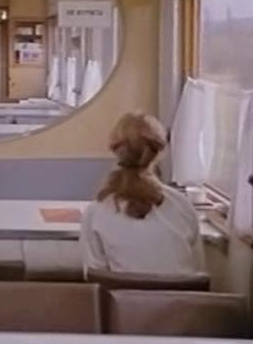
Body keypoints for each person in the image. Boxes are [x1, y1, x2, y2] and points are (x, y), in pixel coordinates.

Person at [79, 112, 204, 275]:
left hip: (123, 293)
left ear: (115, 150)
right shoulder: (183, 206)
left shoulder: (96, 212)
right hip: (180, 292)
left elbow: (95, 275)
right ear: (159, 152)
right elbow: (197, 270)